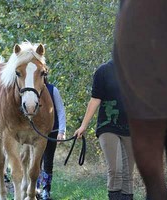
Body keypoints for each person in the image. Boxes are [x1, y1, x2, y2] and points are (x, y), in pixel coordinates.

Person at [74, 59, 134, 200]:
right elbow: (95, 100)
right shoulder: (103, 71)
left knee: (128, 174)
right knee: (116, 170)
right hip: (108, 126)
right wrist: (83, 125)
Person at [37, 76, 66, 200]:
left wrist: (62, 131)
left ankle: (46, 190)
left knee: (48, 162)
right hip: (35, 133)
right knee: (35, 162)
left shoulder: (52, 89)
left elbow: (60, 110)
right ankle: (35, 187)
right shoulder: (28, 90)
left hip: (51, 131)